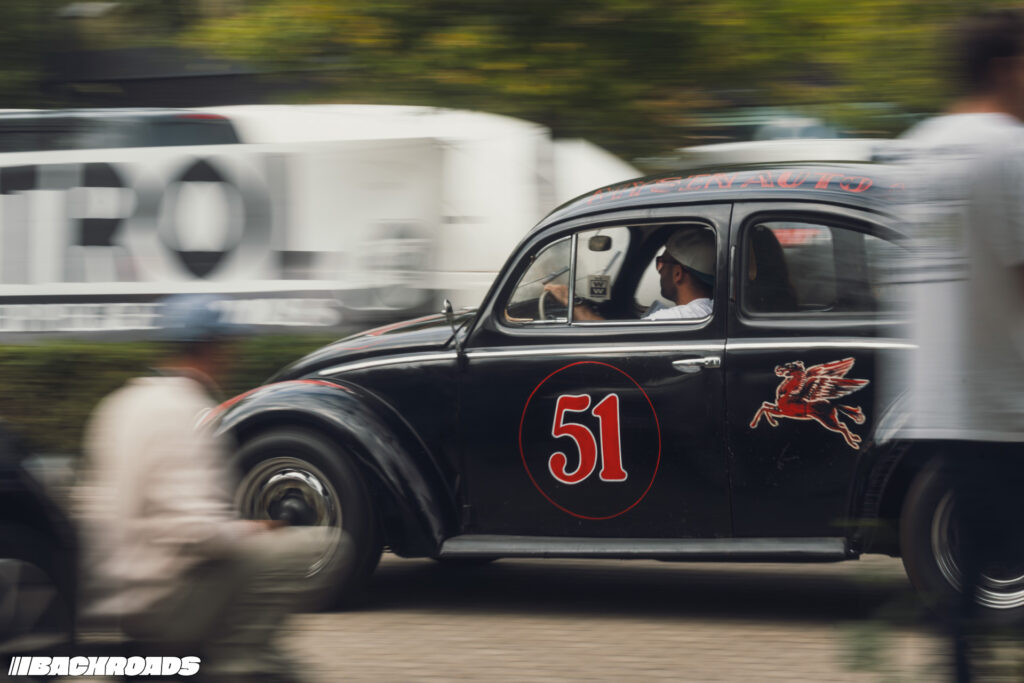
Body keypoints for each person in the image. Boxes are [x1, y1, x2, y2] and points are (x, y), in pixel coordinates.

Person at [72, 294, 334, 681]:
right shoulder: (185, 410)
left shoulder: (121, 403)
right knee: (312, 545)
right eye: (229, 345)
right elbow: (194, 532)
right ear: (213, 348)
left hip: (111, 598)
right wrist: (256, 530)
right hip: (162, 603)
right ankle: (236, 666)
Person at [889, 10, 1024, 681]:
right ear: (1007, 68)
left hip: (941, 404)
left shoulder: (918, 148)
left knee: (969, 603)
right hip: (1006, 401)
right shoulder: (1006, 150)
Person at [544, 226, 715, 321]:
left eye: (661, 263)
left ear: (678, 274)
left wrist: (572, 301)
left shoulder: (673, 319)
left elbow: (613, 343)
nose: (660, 271)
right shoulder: (709, 309)